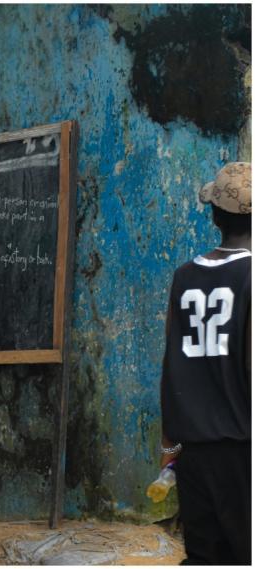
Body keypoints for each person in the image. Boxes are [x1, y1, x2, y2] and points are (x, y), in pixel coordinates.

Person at [160, 162, 251, 564]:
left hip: (193, 448)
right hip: (242, 446)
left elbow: (171, 359)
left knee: (203, 554)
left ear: (214, 215)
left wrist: (169, 443)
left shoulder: (184, 277)